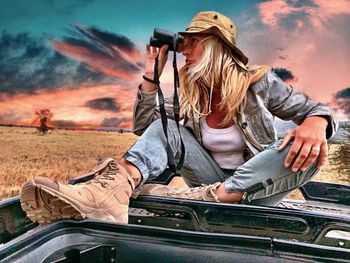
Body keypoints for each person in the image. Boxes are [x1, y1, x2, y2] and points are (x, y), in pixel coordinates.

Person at [20, 11, 337, 224]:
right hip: (203, 186)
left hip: (254, 190)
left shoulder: (259, 84)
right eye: (182, 42)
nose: (184, 49)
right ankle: (108, 194)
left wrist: (316, 123)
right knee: (166, 126)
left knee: (310, 150)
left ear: (217, 47)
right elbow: (146, 128)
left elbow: (316, 109)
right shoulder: (188, 95)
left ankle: (220, 198)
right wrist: (151, 77)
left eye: (193, 42)